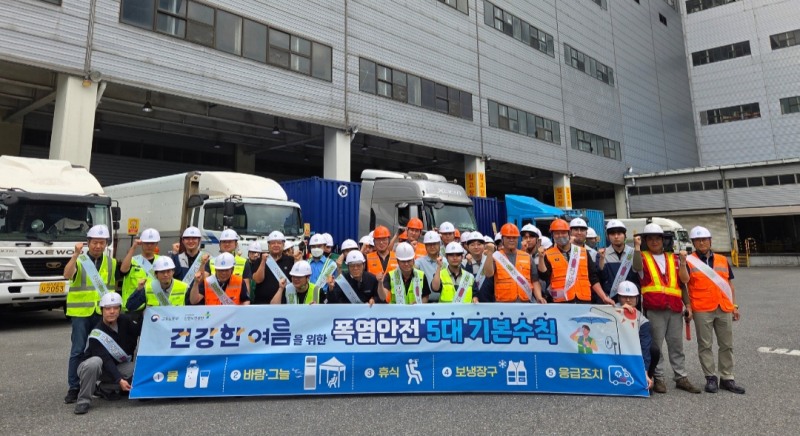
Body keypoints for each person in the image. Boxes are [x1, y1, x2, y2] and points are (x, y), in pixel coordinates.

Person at [680, 226, 744, 394]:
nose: (702, 243)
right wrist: (682, 262)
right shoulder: (689, 261)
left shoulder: (722, 259)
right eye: (698, 240)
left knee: (727, 344)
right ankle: (710, 378)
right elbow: (684, 280)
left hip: (723, 306)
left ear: (710, 241)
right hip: (702, 308)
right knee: (705, 345)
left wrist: (734, 306)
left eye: (705, 239)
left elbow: (729, 284)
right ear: (693, 243)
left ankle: (727, 378)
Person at [639, 223, 701, 394]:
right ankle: (658, 378)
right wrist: (637, 248)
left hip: (674, 308)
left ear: (663, 240)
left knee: (676, 345)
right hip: (654, 308)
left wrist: (688, 305)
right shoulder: (642, 257)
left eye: (657, 238)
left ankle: (681, 377)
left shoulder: (674, 258)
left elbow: (682, 284)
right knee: (656, 346)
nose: (654, 242)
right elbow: (636, 267)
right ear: (645, 241)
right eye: (650, 239)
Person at [63, 224, 118, 404]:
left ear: (106, 244)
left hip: (101, 313)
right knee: (78, 350)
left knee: (101, 349)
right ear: (88, 243)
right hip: (80, 312)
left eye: (102, 243)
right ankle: (74, 387)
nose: (98, 246)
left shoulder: (111, 262)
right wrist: (75, 255)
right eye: (95, 242)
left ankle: (97, 384)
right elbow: (67, 275)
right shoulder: (79, 260)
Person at [73, 293, 140, 415]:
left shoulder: (125, 321)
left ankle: (104, 388)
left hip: (115, 366)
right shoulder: (97, 333)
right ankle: (83, 401)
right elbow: (105, 360)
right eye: (108, 308)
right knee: (95, 362)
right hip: (93, 368)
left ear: (120, 309)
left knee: (138, 369)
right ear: (101, 310)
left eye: (115, 308)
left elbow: (140, 331)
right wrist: (119, 379)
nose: (112, 312)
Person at [538, 219, 614, 305]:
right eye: (557, 233)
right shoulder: (548, 254)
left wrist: (604, 297)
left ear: (569, 233)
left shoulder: (583, 252)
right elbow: (544, 276)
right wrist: (541, 258)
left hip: (583, 300)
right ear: (552, 235)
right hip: (561, 302)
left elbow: (593, 278)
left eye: (563, 232)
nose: (560, 236)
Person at [616, 280, 657, 390]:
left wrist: (644, 372)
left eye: (631, 297)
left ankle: (647, 379)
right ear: (619, 297)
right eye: (624, 297)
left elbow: (645, 347)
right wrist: (618, 311)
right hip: (615, 351)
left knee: (654, 350)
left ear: (637, 299)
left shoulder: (642, 320)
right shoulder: (609, 310)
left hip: (633, 351)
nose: (628, 300)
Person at [493, 223, 546, 304]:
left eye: (514, 237)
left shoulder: (527, 257)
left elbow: (535, 280)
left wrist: (539, 297)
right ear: (502, 239)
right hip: (503, 305)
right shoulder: (495, 257)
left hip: (525, 304)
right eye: (508, 237)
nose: (511, 240)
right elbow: (488, 275)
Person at [119, 227, 161, 318]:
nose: (149, 246)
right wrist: (133, 248)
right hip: (133, 307)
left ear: (156, 244)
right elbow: (123, 270)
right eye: (146, 243)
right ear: (141, 243)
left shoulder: (161, 261)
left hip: (153, 306)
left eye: (152, 243)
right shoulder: (133, 260)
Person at [601, 219, 643, 304]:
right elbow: (600, 277)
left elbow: (639, 271)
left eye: (619, 233)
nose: (616, 237)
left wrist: (637, 247)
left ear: (625, 235)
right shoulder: (602, 254)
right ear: (608, 237)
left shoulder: (634, 252)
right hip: (611, 301)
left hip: (631, 301)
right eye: (612, 234)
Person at [251, 231, 295, 305]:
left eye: (279, 243)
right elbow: (257, 280)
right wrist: (263, 261)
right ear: (268, 245)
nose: (276, 245)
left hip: (284, 303)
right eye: (273, 243)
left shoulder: (290, 260)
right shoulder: (259, 260)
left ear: (283, 245)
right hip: (262, 303)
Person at [207, 229, 252, 296]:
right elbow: (205, 286)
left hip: (235, 301)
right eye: (224, 242)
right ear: (219, 244)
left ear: (236, 244)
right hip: (214, 300)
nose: (227, 244)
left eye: (230, 242)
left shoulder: (244, 262)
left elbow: (247, 289)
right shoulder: (211, 262)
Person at [463, 232, 495, 301]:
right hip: (472, 303)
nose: (476, 247)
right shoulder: (464, 263)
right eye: (472, 245)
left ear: (484, 246)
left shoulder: (490, 260)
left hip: (490, 302)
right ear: (467, 247)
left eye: (479, 244)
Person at [415, 230, 443, 301]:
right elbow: (410, 269)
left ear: (439, 244)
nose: (432, 247)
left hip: (443, 302)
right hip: (426, 302)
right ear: (425, 246)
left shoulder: (446, 261)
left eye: (434, 244)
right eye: (429, 244)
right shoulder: (419, 262)